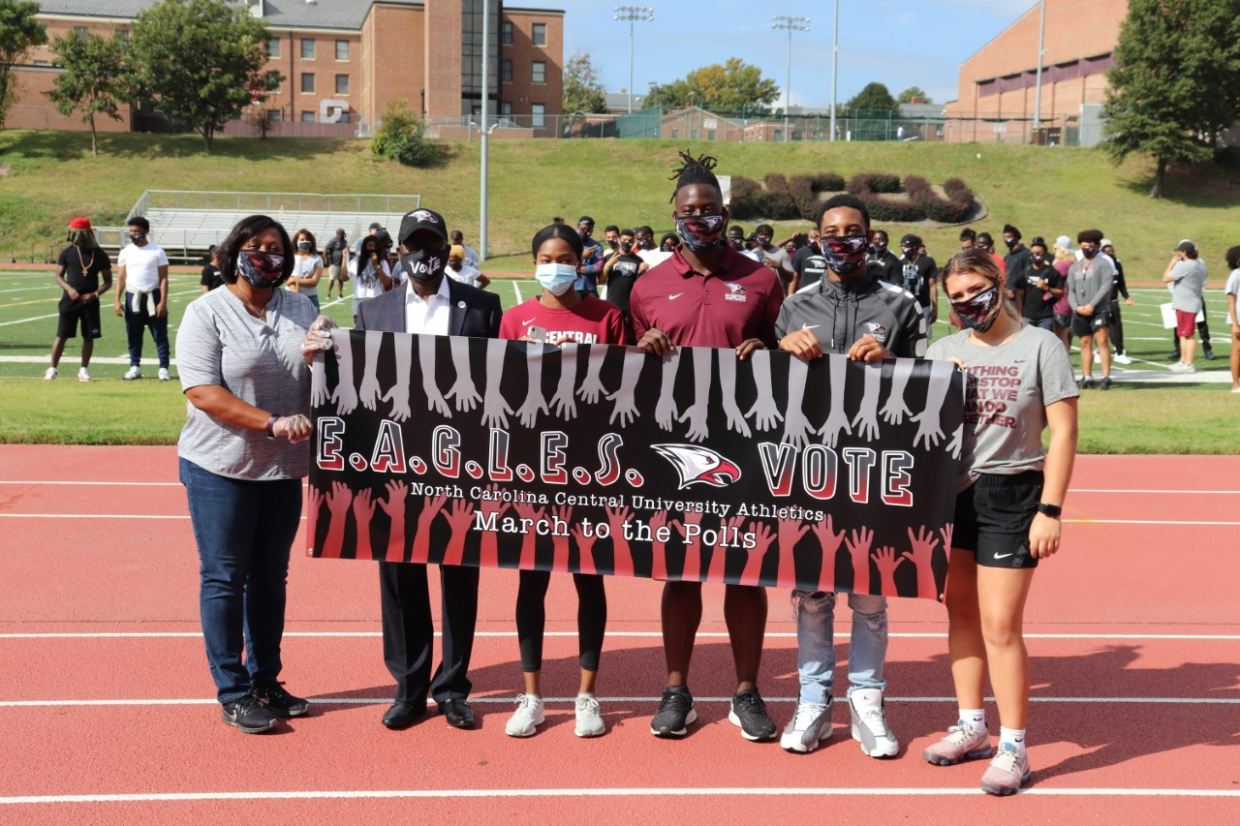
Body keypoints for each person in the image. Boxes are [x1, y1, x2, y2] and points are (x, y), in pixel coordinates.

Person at [630, 151, 784, 742]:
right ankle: (677, 691)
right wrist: (642, 348)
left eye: (710, 210)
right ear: (673, 214)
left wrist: (766, 353)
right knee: (682, 570)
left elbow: (784, 354)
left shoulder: (763, 278)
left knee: (745, 572)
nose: (700, 219)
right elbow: (627, 375)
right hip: (673, 446)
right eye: (690, 211)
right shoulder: (647, 285)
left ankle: (746, 691)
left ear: (726, 212)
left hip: (745, 442)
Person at [923, 247, 1078, 796]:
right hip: (951, 495)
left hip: (1013, 493)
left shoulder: (1040, 346)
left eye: (976, 292)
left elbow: (1063, 432)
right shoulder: (942, 349)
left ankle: (1014, 747)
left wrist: (1050, 510)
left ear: (999, 282)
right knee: (959, 614)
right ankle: (971, 727)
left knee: (999, 624)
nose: (968, 304)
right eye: (957, 297)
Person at [776, 193, 925, 758]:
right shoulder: (796, 305)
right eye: (832, 231)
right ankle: (813, 701)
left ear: (871, 236)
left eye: (853, 230)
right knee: (811, 592)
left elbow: (934, 384)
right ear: (816, 240)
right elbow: (768, 391)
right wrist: (779, 347)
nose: (843, 239)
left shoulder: (901, 304)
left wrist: (894, 363)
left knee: (868, 593)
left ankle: (867, 701)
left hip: (875, 466)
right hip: (809, 467)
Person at [356, 207, 503, 733]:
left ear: (446, 249)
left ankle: (454, 687)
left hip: (461, 462)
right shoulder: (372, 313)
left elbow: (503, 384)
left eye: (432, 243)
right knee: (399, 577)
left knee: (459, 575)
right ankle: (410, 687)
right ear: (399, 251)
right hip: (395, 463)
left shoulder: (483, 306)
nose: (424, 254)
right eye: (414, 244)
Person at [176, 214, 318, 733]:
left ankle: (266, 681)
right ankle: (233, 690)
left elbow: (326, 372)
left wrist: (326, 357)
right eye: (256, 246)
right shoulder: (205, 311)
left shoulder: (301, 306)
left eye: (276, 249)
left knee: (269, 579)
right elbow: (202, 392)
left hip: (282, 470)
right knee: (223, 577)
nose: (266, 256)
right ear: (234, 252)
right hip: (221, 465)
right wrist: (273, 422)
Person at [497, 223, 625, 739]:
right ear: (535, 263)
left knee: (588, 580)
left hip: (592, 471)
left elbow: (626, 390)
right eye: (548, 257)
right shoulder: (515, 319)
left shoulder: (608, 317)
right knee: (532, 581)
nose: (557, 265)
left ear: (582, 261)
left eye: (567, 256)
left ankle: (586, 696)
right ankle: (531, 695)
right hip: (534, 472)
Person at [45, 217, 111, 382]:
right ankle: (52, 368)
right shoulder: (67, 252)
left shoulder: (100, 254)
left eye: (76, 232)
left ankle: (83, 369)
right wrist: (69, 289)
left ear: (86, 233)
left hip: (90, 302)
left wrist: (94, 294)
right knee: (61, 335)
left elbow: (108, 281)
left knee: (89, 336)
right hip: (69, 300)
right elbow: (58, 276)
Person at [114, 216, 171, 381]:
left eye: (137, 231)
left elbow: (163, 278)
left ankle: (163, 368)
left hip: (153, 295)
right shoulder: (125, 251)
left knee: (159, 334)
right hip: (133, 296)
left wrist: (163, 301)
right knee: (133, 334)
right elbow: (121, 277)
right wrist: (117, 300)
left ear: (145, 231)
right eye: (131, 231)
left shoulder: (157, 251)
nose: (133, 234)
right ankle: (134, 366)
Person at [1067, 230, 1116, 389]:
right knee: (1085, 342)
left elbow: (1106, 286)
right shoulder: (1074, 267)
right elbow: (1071, 290)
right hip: (1081, 311)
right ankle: (1087, 376)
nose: (1086, 248)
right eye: (1084, 245)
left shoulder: (1103, 264)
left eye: (1090, 245)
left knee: (1102, 341)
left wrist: (1092, 305)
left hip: (1099, 309)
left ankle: (1106, 377)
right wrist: (1077, 307)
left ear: (1097, 247)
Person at [1165, 240, 1208, 374]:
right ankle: (1183, 361)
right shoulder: (1199, 264)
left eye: (1180, 251)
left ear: (1184, 252)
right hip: (1188, 301)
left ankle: (1189, 363)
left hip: (1187, 303)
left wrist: (1172, 264)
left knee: (1189, 334)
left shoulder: (1186, 265)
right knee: (1183, 334)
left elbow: (1166, 278)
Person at [600, 227, 648, 342]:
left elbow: (639, 285)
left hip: (630, 306)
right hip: (612, 304)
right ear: (619, 240)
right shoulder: (609, 257)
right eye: (624, 239)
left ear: (634, 242)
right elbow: (600, 281)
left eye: (630, 240)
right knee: (609, 337)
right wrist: (607, 265)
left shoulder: (638, 260)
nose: (626, 242)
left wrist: (642, 271)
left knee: (626, 339)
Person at [899, 233, 940, 342]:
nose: (904, 248)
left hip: (923, 306)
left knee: (922, 338)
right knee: (905, 338)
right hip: (905, 306)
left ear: (915, 246)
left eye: (906, 246)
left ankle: (924, 358)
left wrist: (935, 308)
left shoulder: (927, 261)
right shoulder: (900, 262)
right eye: (902, 246)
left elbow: (933, 285)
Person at [1017, 238, 1062, 333]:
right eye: (1032, 253)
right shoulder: (1024, 273)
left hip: (1046, 317)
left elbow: (1060, 293)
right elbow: (1019, 295)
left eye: (1038, 253)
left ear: (1045, 254)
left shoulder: (1053, 273)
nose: (1035, 256)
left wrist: (1046, 288)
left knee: (1045, 344)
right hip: (1027, 317)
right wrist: (1019, 314)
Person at [1100, 239, 1134, 365]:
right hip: (1100, 302)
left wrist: (1127, 297)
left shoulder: (1117, 264)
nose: (1111, 254)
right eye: (1108, 252)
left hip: (1113, 302)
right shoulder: (1098, 265)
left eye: (1112, 251)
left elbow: (1121, 283)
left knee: (1117, 328)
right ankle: (1098, 350)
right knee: (1100, 328)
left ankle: (1120, 352)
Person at [349, 232, 393, 324]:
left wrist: (376, 265)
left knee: (375, 328)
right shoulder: (356, 261)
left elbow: (387, 282)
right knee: (358, 329)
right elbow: (345, 276)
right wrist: (344, 257)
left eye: (374, 246)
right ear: (365, 247)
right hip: (359, 300)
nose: (372, 248)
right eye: (369, 246)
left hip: (376, 299)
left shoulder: (383, 262)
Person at [288, 228, 324, 311]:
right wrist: (295, 293)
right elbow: (288, 280)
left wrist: (294, 280)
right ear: (296, 242)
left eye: (307, 239)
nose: (305, 241)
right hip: (291, 298)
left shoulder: (317, 259)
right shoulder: (290, 258)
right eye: (302, 239)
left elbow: (314, 282)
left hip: (310, 298)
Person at [1050, 237, 1076, 351]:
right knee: (1064, 336)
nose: (1054, 250)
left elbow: (1048, 279)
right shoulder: (1071, 262)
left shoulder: (1062, 265)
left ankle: (1063, 363)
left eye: (1055, 248)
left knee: (1060, 337)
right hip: (1066, 303)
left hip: (1061, 305)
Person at [753, 223, 794, 290]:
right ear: (756, 236)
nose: (763, 237)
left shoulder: (782, 252)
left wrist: (779, 267)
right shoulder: (752, 254)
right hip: (757, 294)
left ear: (772, 236)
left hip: (776, 294)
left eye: (766, 235)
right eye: (761, 234)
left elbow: (791, 278)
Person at [1001, 224, 1031, 306]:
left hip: (1022, 300)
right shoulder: (1007, 257)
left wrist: (1014, 290)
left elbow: (1028, 275)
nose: (1006, 239)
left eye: (1009, 237)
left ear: (1016, 237)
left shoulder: (1026, 254)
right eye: (1004, 237)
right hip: (1008, 299)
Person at [574, 216, 604, 297]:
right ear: (578, 226)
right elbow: (564, 264)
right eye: (583, 229)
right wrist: (582, 256)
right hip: (572, 289)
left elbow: (598, 267)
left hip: (589, 290)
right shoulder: (569, 243)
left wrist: (578, 268)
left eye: (588, 230)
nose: (585, 232)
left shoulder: (597, 246)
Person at [1225, 245, 1240, 393]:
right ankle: (1236, 385)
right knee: (1237, 351)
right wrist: (1235, 324)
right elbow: (1231, 301)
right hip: (1239, 320)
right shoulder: (1235, 275)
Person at [323, 229, 350, 300]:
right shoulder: (333, 241)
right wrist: (326, 258)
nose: (342, 235)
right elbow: (325, 249)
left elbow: (348, 250)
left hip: (342, 264)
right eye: (340, 234)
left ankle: (340, 294)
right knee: (332, 279)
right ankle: (328, 294)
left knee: (340, 279)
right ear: (337, 234)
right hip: (334, 263)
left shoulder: (345, 242)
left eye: (343, 234)